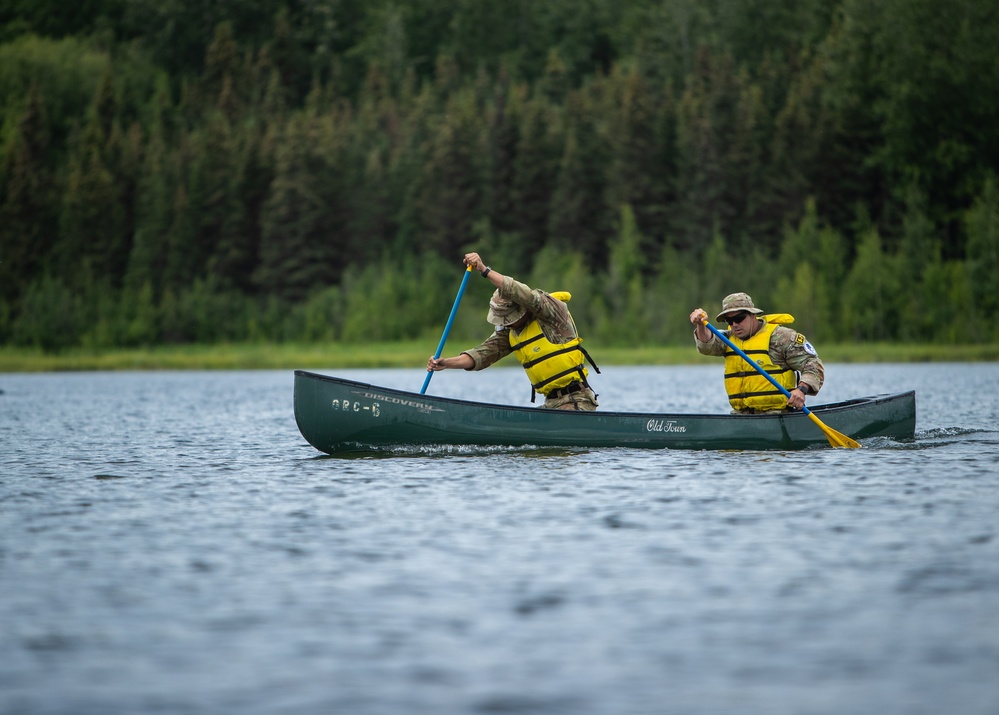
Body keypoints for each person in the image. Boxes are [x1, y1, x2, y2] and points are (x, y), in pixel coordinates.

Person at [427, 252, 600, 411]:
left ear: (523, 310)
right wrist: (446, 363)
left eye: (509, 319)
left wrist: (484, 270)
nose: (506, 324)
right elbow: (482, 354)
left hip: (578, 400)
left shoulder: (551, 313)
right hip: (551, 404)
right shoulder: (510, 333)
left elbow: (520, 292)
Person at [689, 292, 824, 413]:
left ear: (753, 315)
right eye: (729, 321)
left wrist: (801, 390)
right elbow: (706, 346)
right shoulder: (728, 339)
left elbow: (812, 364)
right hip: (742, 417)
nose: (734, 324)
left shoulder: (781, 337)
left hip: (778, 415)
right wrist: (700, 325)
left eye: (739, 318)